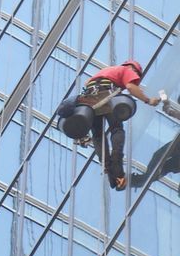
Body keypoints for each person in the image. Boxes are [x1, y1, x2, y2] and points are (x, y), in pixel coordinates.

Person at [63, 60, 161, 189]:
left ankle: (109, 171)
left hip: (89, 101)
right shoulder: (127, 70)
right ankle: (117, 163)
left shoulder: (107, 71)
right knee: (117, 129)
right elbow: (131, 87)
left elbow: (87, 83)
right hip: (107, 95)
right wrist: (148, 100)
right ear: (133, 69)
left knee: (98, 135)